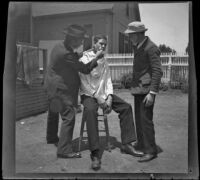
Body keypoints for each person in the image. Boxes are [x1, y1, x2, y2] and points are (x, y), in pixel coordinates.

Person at [79, 34, 144, 170]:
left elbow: (108, 80)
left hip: (104, 94)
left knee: (126, 107)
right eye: (101, 44)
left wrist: (109, 96)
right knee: (90, 111)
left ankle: (126, 144)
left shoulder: (105, 61)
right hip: (89, 95)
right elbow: (84, 83)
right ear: (94, 43)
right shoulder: (84, 59)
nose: (103, 46)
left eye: (105, 44)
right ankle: (95, 154)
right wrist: (98, 98)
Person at [44, 24, 105, 159]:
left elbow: (73, 55)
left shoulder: (60, 46)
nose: (82, 42)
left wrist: (87, 51)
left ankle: (51, 137)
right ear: (73, 39)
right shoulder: (66, 53)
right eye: (80, 40)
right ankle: (64, 150)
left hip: (51, 86)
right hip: (59, 88)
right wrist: (96, 58)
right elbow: (84, 68)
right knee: (69, 114)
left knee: (54, 111)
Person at [124, 21, 163, 162]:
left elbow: (157, 71)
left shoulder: (151, 48)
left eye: (131, 35)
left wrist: (152, 93)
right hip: (139, 89)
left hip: (147, 91)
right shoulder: (138, 46)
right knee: (139, 120)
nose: (129, 37)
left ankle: (151, 151)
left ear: (139, 34)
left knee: (146, 121)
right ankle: (141, 144)